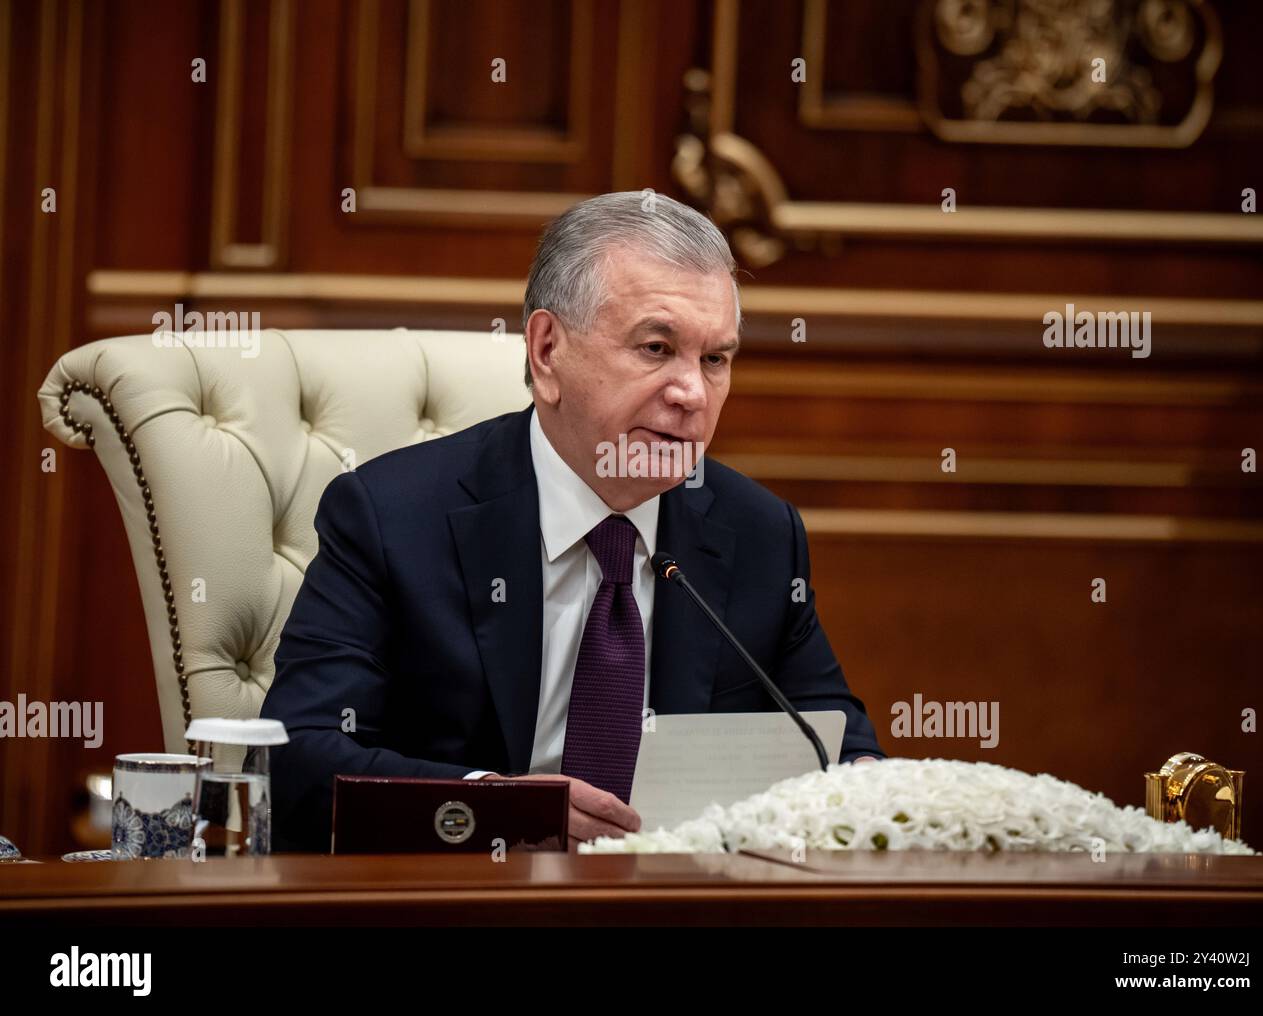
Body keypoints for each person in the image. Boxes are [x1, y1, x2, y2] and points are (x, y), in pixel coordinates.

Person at [261, 191, 883, 852]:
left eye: (715, 359)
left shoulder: (759, 535)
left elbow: (835, 747)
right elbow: (299, 758)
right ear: (548, 350)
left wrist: (873, 792)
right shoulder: (392, 517)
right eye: (656, 347)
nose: (693, 394)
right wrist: (497, 809)